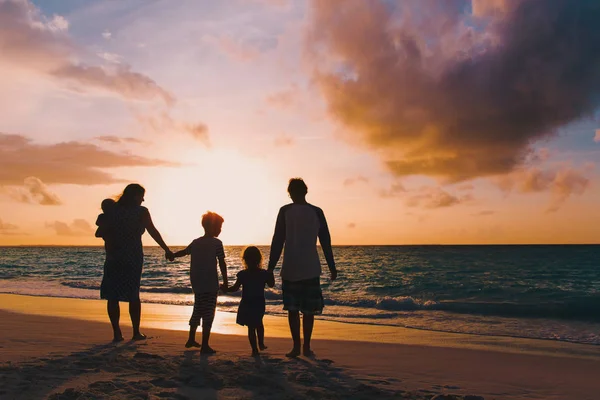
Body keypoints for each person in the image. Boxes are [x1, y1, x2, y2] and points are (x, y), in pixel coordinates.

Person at [267, 178, 337, 358]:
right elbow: (326, 241)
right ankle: (305, 346)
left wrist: (270, 269)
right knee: (308, 311)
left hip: (291, 267)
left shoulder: (285, 211)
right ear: (306, 191)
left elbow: (277, 241)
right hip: (310, 268)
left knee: (292, 309)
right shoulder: (316, 212)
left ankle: (296, 347)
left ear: (289, 193)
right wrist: (332, 266)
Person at [99, 183, 173, 343]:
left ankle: (117, 333)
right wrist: (166, 249)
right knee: (133, 294)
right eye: (141, 196)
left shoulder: (113, 210)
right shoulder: (141, 212)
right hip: (132, 257)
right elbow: (153, 231)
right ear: (134, 196)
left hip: (113, 257)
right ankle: (136, 332)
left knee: (113, 296)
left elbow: (102, 231)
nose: (143, 199)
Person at [169, 211, 228, 354]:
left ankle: (191, 339)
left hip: (197, 283)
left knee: (198, 309)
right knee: (209, 313)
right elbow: (222, 262)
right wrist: (225, 281)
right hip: (210, 283)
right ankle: (205, 345)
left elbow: (184, 252)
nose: (220, 230)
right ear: (213, 227)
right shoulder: (217, 243)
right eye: (219, 227)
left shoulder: (196, 242)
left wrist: (173, 255)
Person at [225, 246, 275, 356]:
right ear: (259, 259)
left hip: (247, 302)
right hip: (258, 302)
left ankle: (255, 349)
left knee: (251, 327)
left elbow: (235, 288)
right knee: (259, 324)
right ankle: (260, 344)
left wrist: (225, 289)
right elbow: (272, 284)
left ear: (245, 260)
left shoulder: (243, 274)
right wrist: (271, 272)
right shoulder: (263, 273)